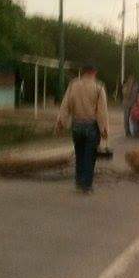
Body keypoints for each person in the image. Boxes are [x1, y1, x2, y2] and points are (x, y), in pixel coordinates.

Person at [56, 63, 109, 194]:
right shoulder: (99, 87)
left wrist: (61, 122)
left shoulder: (73, 85)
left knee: (79, 155)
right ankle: (86, 186)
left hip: (76, 125)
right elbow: (102, 112)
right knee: (89, 157)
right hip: (91, 126)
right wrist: (104, 130)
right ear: (94, 72)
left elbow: (65, 105)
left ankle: (79, 183)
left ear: (82, 72)